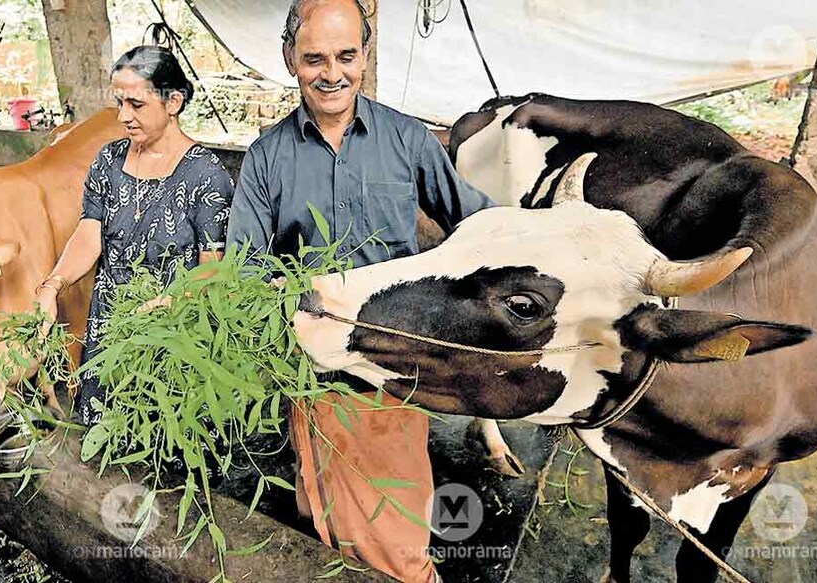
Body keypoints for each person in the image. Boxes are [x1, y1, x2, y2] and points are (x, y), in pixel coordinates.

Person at [226, 1, 497, 581]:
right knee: (321, 511)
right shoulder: (265, 158)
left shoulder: (407, 139)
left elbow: (479, 225)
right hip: (309, 372)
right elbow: (243, 271)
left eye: (347, 56)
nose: (332, 73)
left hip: (390, 370)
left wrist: (548, 239)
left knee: (395, 541)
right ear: (289, 58)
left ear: (366, 55)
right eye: (315, 59)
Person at [35, 45, 234, 425]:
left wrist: (173, 302)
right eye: (119, 102)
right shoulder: (108, 161)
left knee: (164, 435)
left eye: (136, 104)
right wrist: (52, 285)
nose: (123, 116)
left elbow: (213, 268)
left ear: (173, 102)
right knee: (107, 431)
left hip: (172, 335)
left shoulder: (207, 175)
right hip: (110, 329)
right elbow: (89, 232)